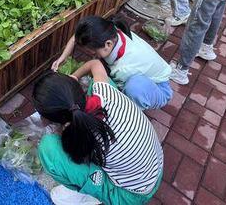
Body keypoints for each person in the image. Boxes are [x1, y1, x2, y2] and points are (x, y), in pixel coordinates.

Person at [34, 63, 163, 205]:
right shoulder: (104, 91)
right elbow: (95, 63)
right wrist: (74, 76)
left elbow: (75, 150)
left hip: (132, 195)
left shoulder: (84, 138)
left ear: (51, 120)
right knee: (107, 82)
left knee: (50, 151)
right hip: (155, 166)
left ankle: (91, 195)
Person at [52, 16, 172, 110]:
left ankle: (134, 111)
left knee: (132, 88)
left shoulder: (123, 69)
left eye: (92, 51)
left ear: (108, 44)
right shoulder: (110, 30)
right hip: (147, 73)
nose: (91, 54)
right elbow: (76, 38)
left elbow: (107, 92)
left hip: (158, 88)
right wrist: (62, 58)